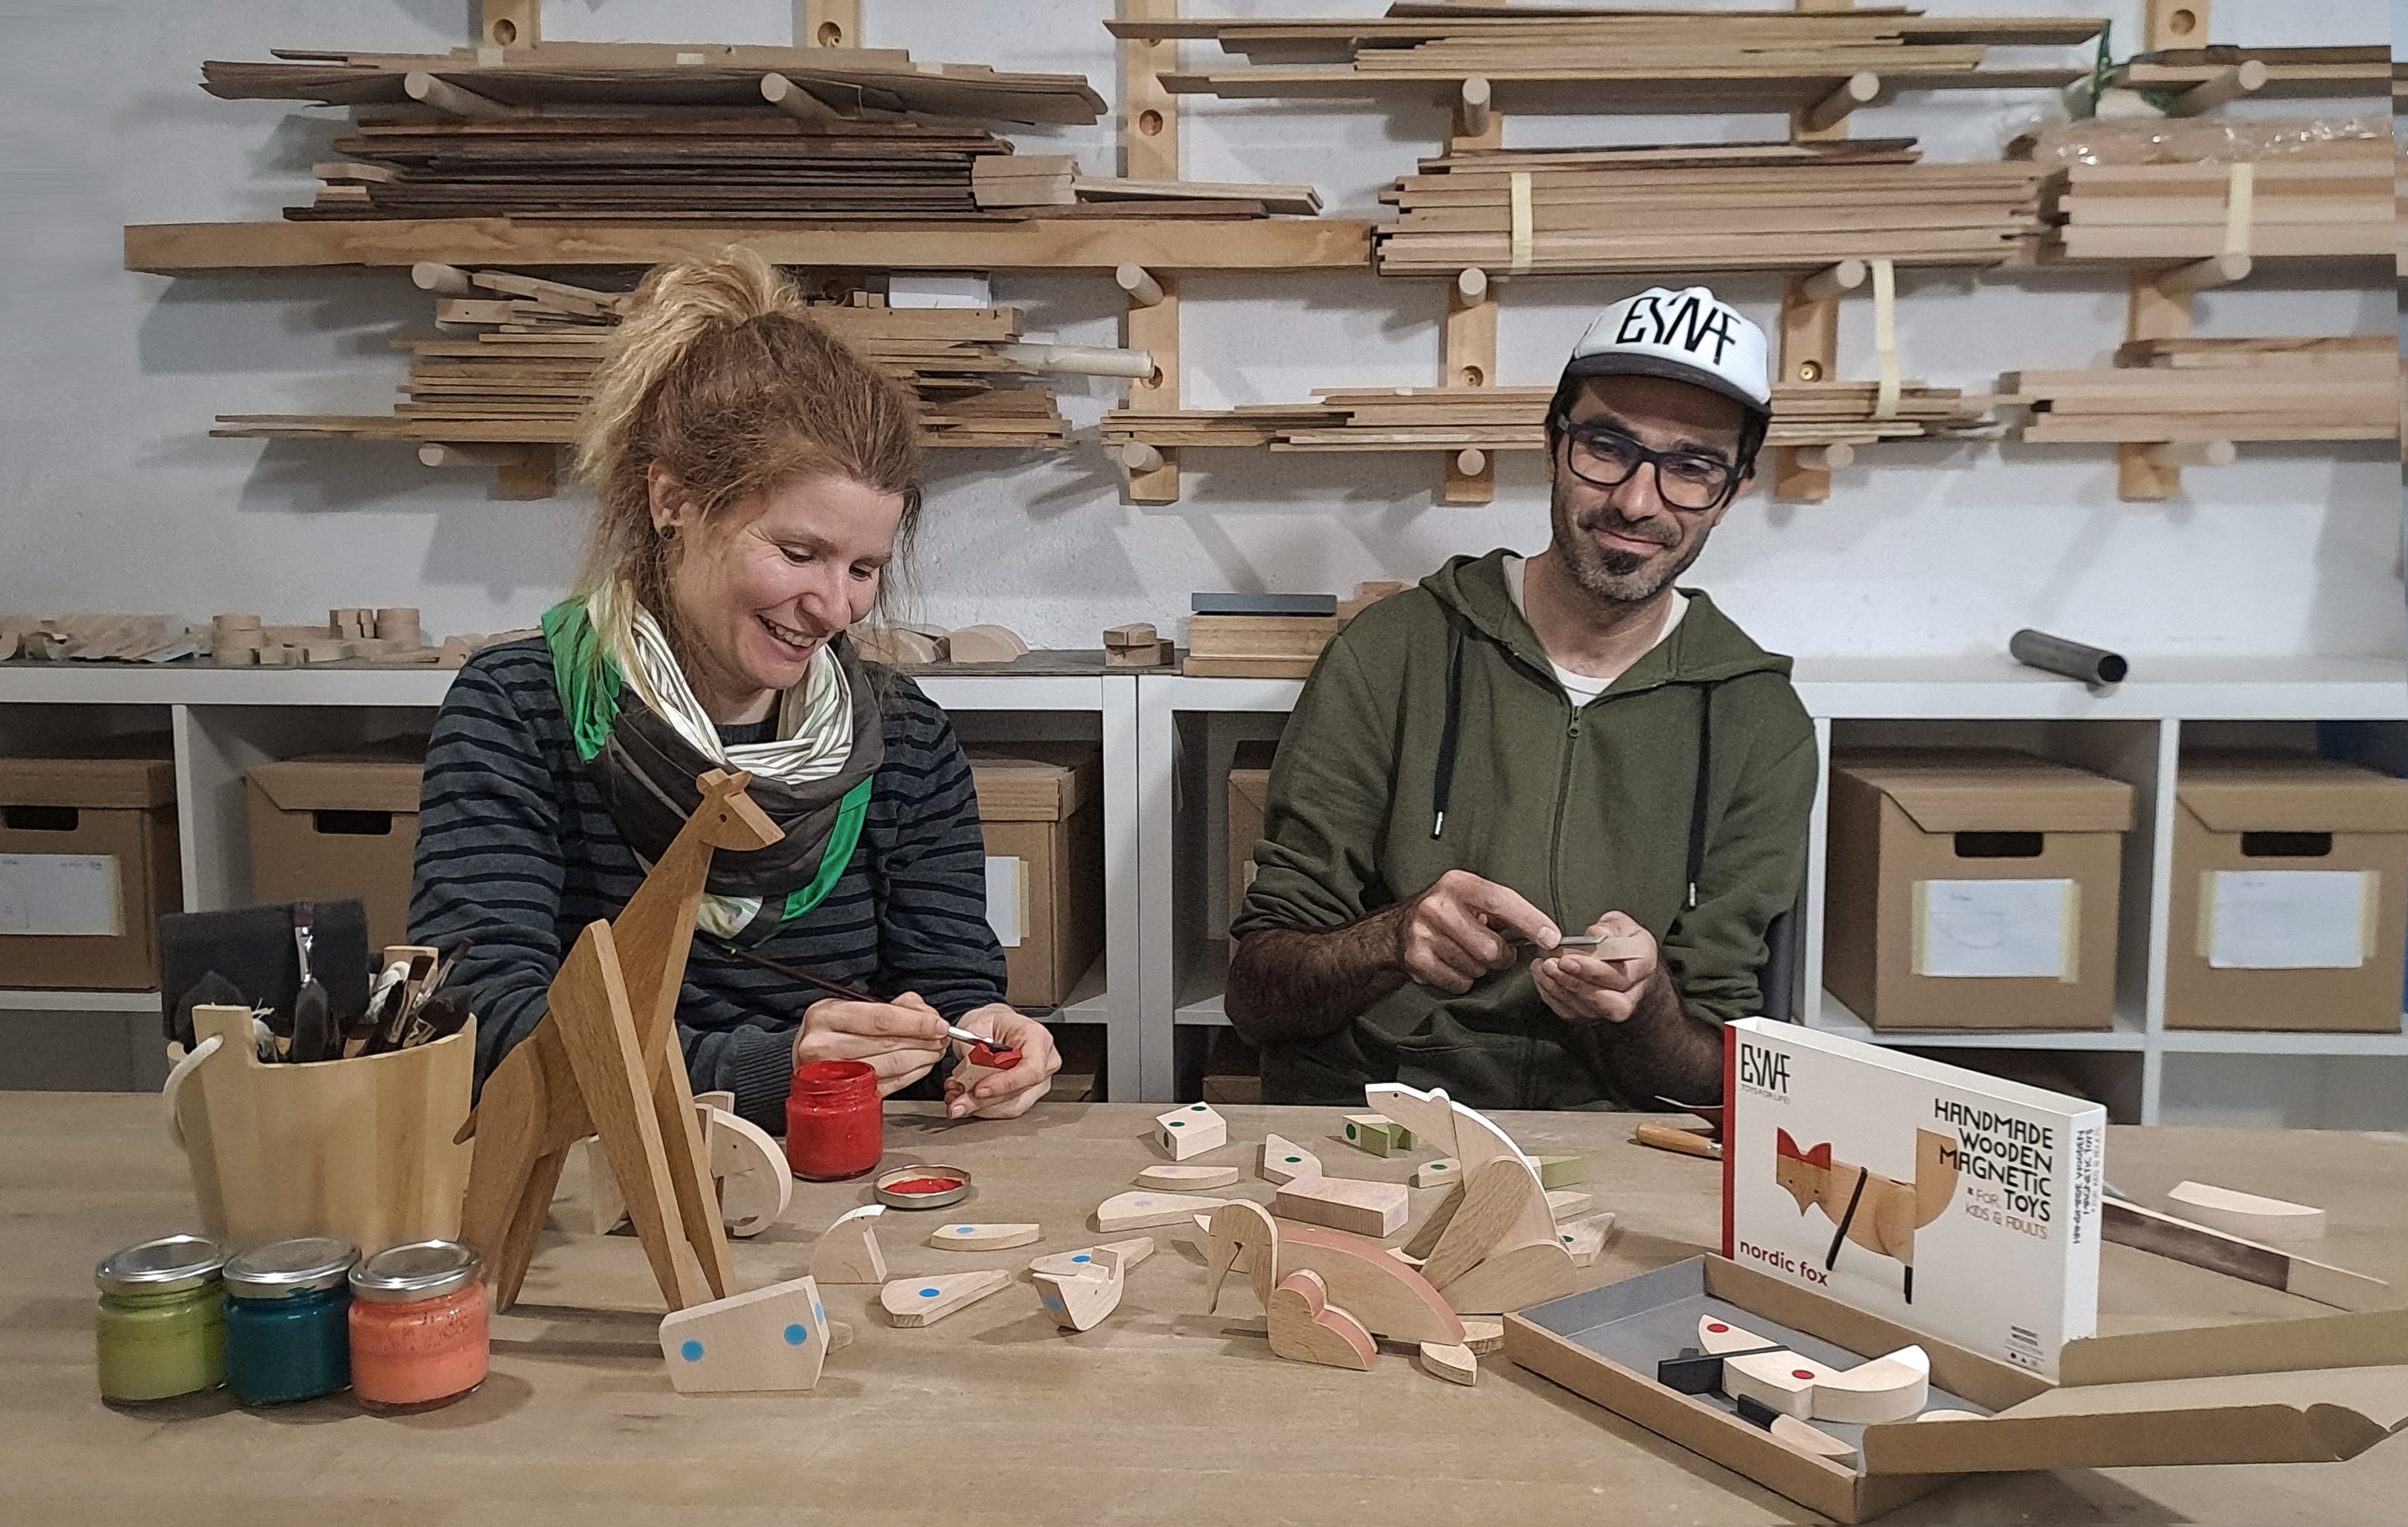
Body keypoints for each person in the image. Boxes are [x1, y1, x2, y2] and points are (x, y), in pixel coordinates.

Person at [410, 248, 1058, 1132]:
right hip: (586, 1182)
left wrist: (982, 1038)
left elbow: (946, 992)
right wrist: (766, 1068)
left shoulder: (904, 743)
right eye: (797, 554)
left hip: (843, 1176)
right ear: (673, 498)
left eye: (864, 566)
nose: (834, 605)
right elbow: (480, 1029)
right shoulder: (521, 714)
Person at [1224, 286, 1817, 1112]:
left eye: (1690, 466)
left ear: (1735, 488)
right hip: (1373, 1120)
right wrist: (1391, 939)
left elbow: (1719, 1082)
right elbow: (1257, 995)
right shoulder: (1392, 651)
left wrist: (1642, 1011)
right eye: (1608, 447)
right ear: (1552, 445)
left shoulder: (1759, 721)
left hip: (1614, 1146)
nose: (1637, 501)